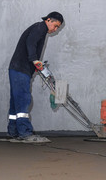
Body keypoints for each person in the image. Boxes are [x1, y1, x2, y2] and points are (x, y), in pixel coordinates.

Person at [7, 12, 64, 143]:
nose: (55, 29)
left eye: (57, 28)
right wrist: (34, 60)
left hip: (17, 69)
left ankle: (14, 132)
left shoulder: (39, 29)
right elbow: (30, 42)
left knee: (16, 102)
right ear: (48, 20)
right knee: (23, 99)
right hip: (21, 69)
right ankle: (25, 133)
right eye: (55, 26)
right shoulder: (40, 27)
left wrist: (36, 66)